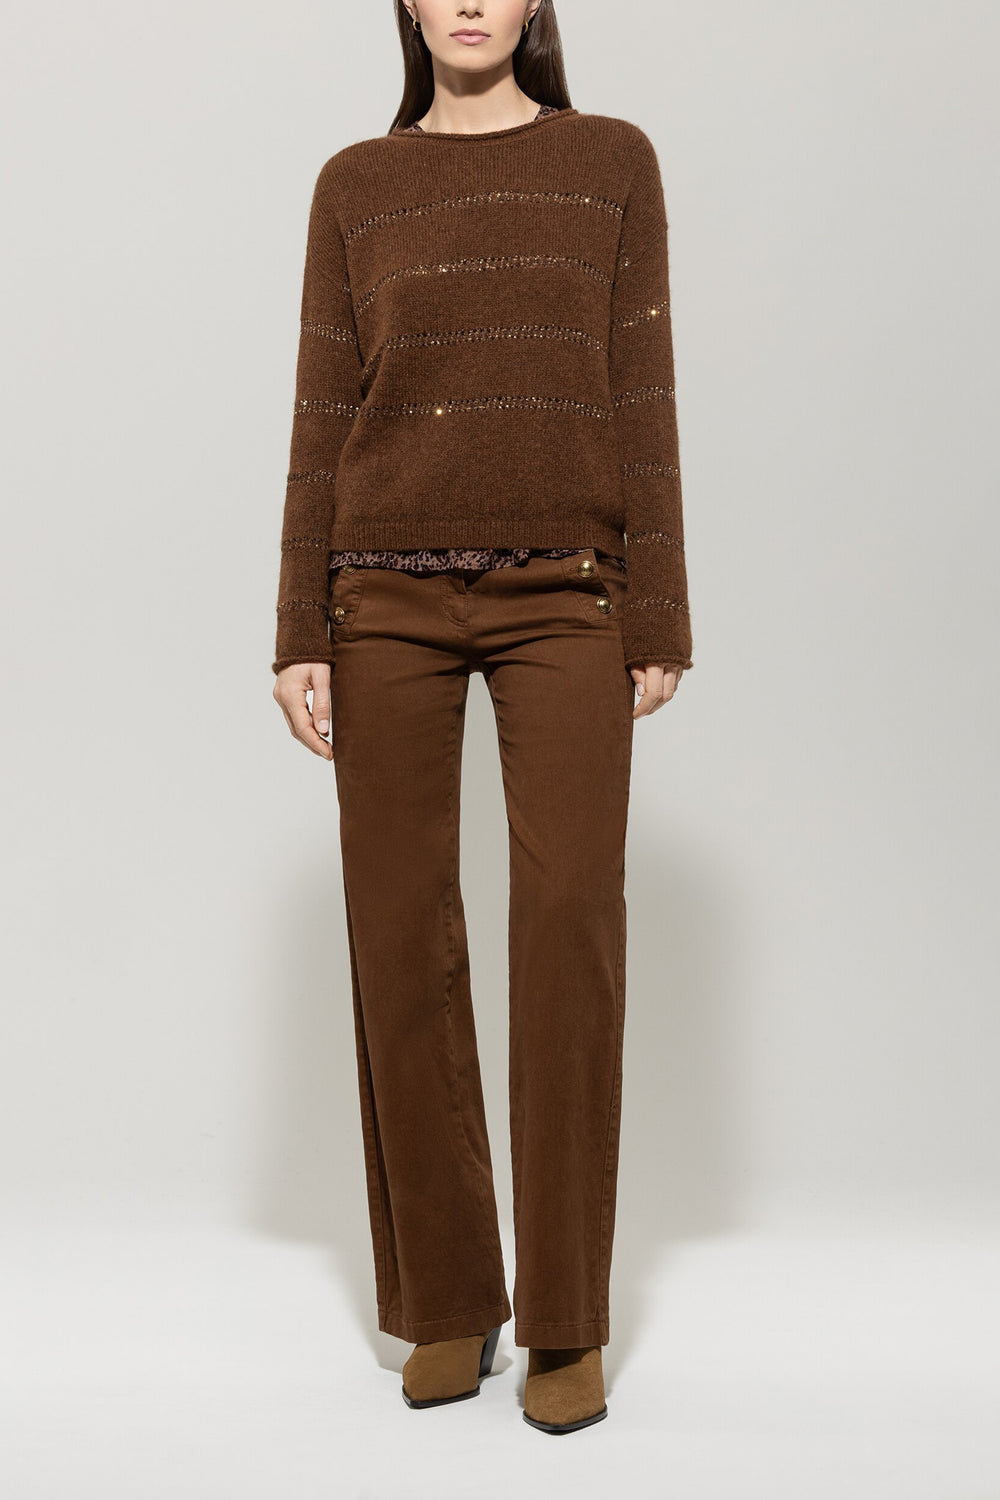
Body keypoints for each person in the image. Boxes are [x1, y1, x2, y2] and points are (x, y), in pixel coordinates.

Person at [271, 0, 693, 1435]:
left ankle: (566, 1316)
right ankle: (452, 1297)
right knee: (400, 931)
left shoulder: (611, 162)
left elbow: (642, 388)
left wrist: (659, 611)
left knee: (570, 922)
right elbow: (321, 410)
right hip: (380, 594)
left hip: (566, 590)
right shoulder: (356, 184)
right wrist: (298, 628)